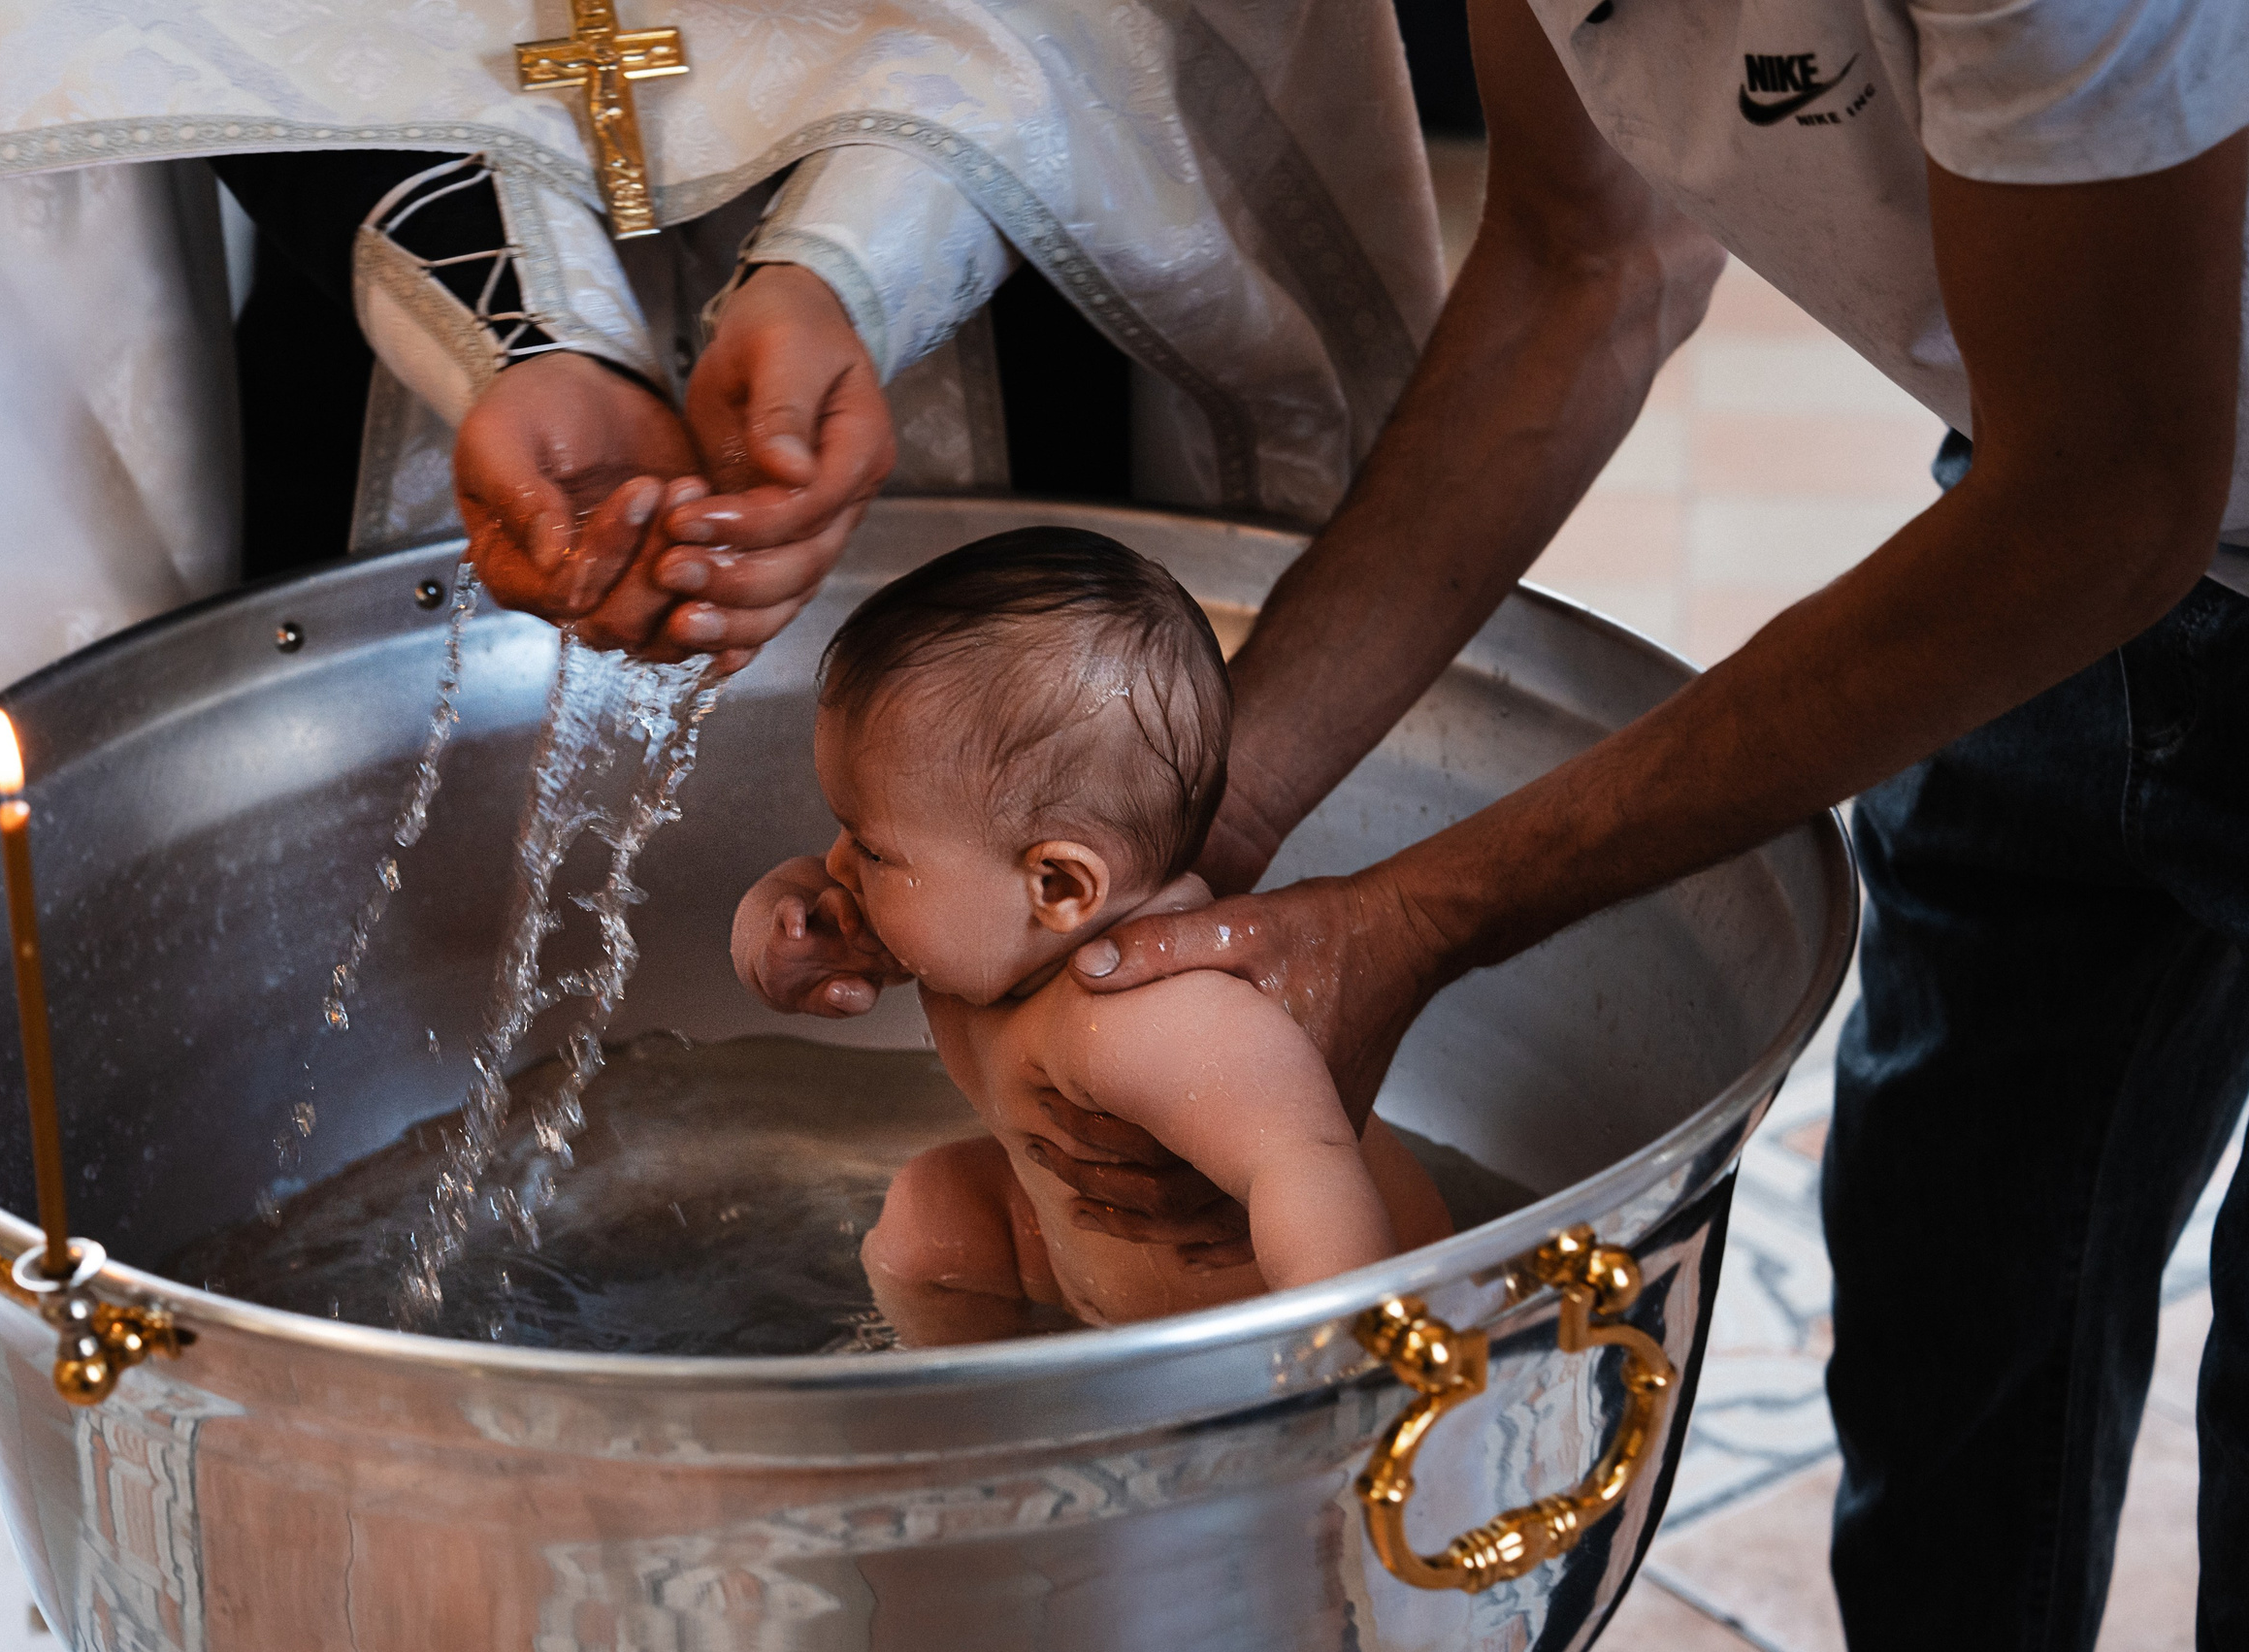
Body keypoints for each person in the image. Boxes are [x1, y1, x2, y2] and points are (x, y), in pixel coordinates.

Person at [750, 2, 2249, 1644]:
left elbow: (2110, 493)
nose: (843, 864)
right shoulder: (1023, 941)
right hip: (2076, 514)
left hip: (2121, 487)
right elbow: (1584, 261)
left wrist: (1330, 1377)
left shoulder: (1160, 1025)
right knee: (1962, 1260)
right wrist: (1202, 805)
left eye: (868, 844)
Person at [0, 3, 1444, 761]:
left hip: (1011, 303)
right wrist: (517, 318)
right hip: (379, 322)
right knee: (364, 1047)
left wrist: (853, 260)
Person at [731, 528, 1450, 1346]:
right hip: (1090, 1281)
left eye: (871, 849)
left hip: (1234, 1334)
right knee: (935, 1213)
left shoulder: (1149, 1010)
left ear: (1059, 886)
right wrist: (778, 925)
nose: (833, 865)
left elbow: (1307, 1160)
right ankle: (971, 1404)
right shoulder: (990, 931)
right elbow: (817, 898)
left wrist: (1338, 1356)